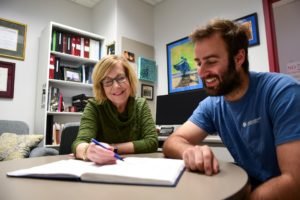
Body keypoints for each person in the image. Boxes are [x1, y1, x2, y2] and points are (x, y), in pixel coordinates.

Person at [163, 18, 300, 199]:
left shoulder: (282, 92)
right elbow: (172, 141)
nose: (201, 73)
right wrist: (189, 151)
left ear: (238, 58)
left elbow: (294, 182)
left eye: (210, 61)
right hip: (249, 187)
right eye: (198, 62)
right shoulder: (212, 105)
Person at [72, 55, 158, 165]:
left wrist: (113, 147)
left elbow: (152, 142)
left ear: (129, 79)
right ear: (101, 86)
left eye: (121, 78)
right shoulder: (94, 106)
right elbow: (79, 143)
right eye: (107, 81)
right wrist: (86, 151)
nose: (116, 86)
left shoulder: (140, 105)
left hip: (135, 168)